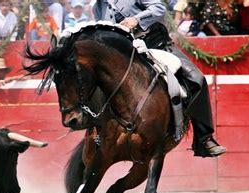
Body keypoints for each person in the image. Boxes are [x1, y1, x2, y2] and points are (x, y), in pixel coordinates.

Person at [91, 0, 226, 157]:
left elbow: (159, 7)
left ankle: (203, 139)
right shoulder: (98, 7)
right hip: (126, 54)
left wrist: (137, 19)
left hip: (157, 44)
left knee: (197, 78)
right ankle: (95, 132)